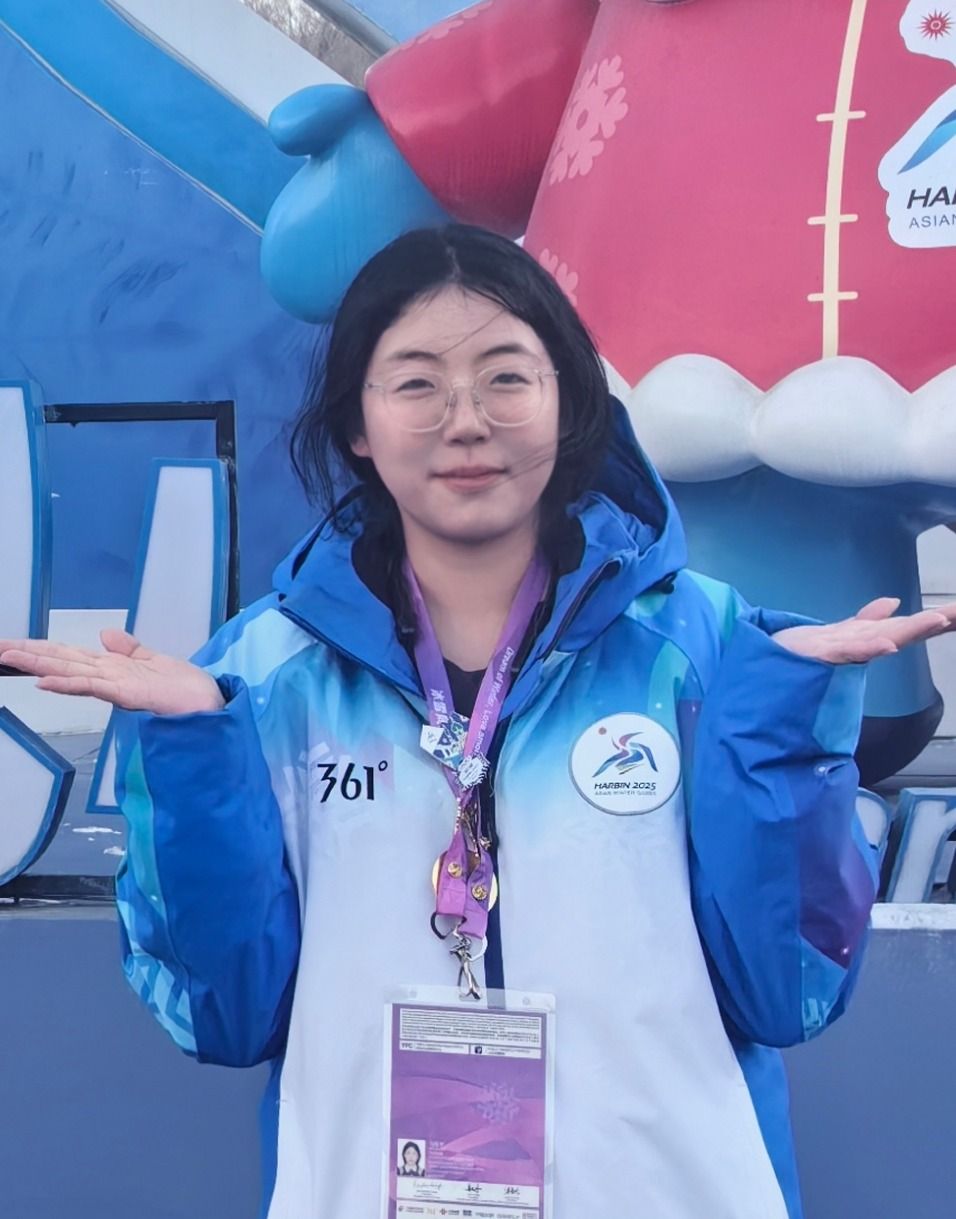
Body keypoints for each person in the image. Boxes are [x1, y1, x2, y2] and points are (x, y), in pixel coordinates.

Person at [2, 225, 954, 1219]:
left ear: (568, 404)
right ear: (357, 422)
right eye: (416, 383)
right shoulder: (265, 676)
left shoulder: (702, 650)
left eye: (506, 377)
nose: (465, 421)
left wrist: (782, 726)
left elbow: (787, 991)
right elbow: (223, 1015)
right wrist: (196, 748)